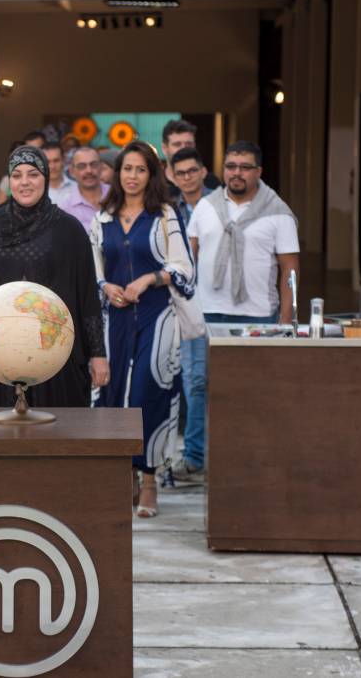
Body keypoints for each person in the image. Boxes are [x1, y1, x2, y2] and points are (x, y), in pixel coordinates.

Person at [181, 141, 300, 482]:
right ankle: (193, 458)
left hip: (258, 317)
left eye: (245, 167)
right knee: (199, 386)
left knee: (251, 390)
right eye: (231, 166)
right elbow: (188, 261)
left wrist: (286, 320)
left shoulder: (278, 212)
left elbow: (289, 271)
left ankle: (249, 458)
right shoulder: (205, 207)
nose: (236, 172)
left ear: (258, 172)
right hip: (207, 314)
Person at [90, 142, 195, 518]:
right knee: (114, 394)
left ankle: (149, 478)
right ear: (117, 173)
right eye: (126, 169)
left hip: (157, 315)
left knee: (147, 391)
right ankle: (125, 476)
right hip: (114, 319)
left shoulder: (164, 214)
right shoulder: (102, 217)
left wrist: (150, 278)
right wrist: (106, 288)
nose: (131, 176)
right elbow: (94, 270)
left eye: (140, 169)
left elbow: (185, 269)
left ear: (151, 175)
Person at [0, 145, 109, 409]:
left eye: (33, 174)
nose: (24, 182)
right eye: (17, 175)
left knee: (58, 436)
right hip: (0, 352)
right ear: (8, 180)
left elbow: (88, 295)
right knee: (3, 436)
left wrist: (98, 354)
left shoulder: (69, 229)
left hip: (56, 350)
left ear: (46, 176)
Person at [168, 147, 214, 485]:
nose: (186, 177)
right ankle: (194, 456)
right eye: (180, 172)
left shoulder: (219, 205)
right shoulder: (167, 209)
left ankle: (215, 454)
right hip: (184, 305)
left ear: (203, 171)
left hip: (223, 302)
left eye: (192, 171)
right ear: (172, 175)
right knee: (192, 382)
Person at [54, 146, 110, 234]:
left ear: (101, 167)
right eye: (81, 166)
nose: (89, 170)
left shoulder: (116, 195)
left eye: (93, 164)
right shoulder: (65, 208)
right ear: (72, 171)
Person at [161, 119, 221, 193]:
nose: (184, 148)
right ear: (164, 148)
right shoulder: (154, 183)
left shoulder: (211, 182)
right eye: (177, 144)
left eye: (189, 144)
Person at [0, 131, 46, 206]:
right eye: (30, 151)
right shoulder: (8, 180)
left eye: (38, 150)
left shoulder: (59, 177)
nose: (34, 155)